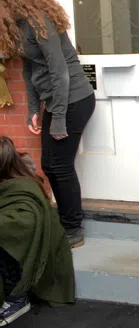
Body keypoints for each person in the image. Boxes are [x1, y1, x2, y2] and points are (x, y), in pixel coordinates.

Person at [0, 0, 95, 249]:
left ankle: (73, 229)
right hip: (55, 101)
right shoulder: (17, 26)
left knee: (60, 165)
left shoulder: (38, 20)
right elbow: (30, 67)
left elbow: (60, 72)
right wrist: (34, 108)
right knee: (49, 165)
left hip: (74, 99)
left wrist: (59, 119)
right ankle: (67, 221)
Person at [0, 136, 75, 326]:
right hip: (19, 235)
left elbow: (21, 225)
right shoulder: (10, 176)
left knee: (4, 238)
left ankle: (17, 299)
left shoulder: (22, 187)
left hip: (41, 243)